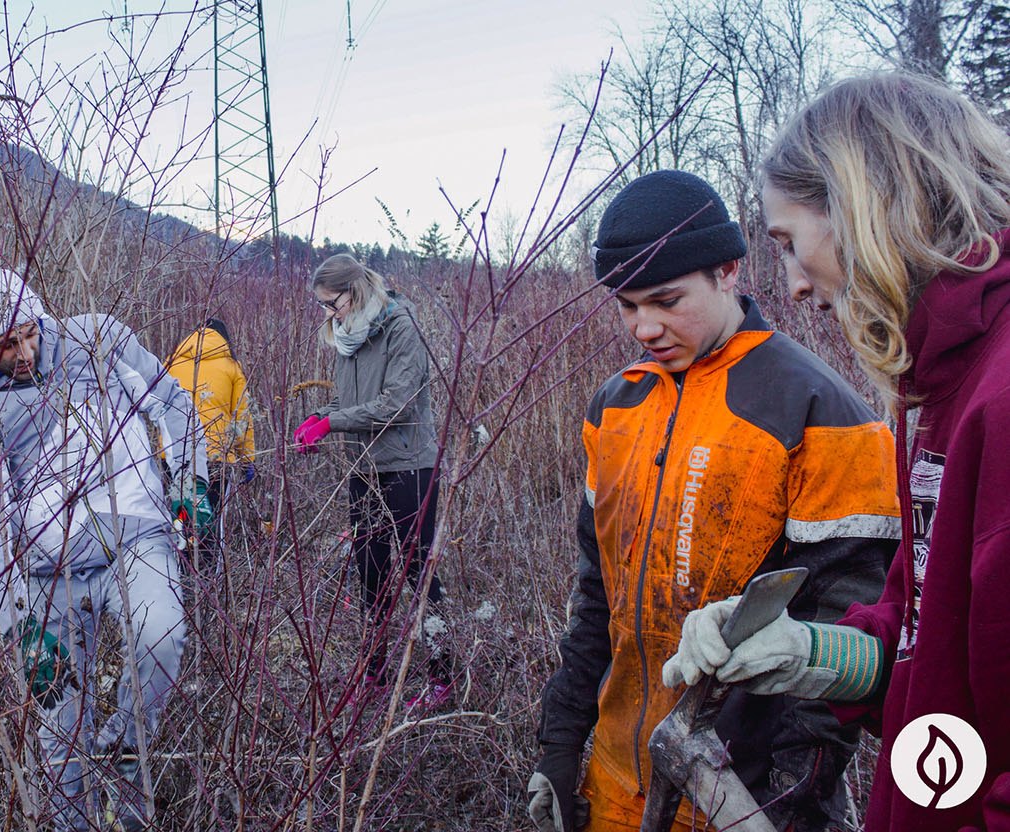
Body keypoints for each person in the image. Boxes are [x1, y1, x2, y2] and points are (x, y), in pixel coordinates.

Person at [663, 73, 1010, 831]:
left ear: (868, 207)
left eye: (789, 242)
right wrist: (810, 651)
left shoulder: (1003, 398)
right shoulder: (945, 388)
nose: (789, 285)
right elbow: (935, 643)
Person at [529, 170, 901, 832]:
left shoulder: (822, 413)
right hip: (616, 784)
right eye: (627, 304)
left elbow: (842, 636)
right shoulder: (615, 407)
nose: (644, 326)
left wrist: (789, 804)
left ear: (728, 270)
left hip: (738, 796)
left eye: (667, 300)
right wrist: (560, 750)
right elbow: (597, 599)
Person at [0, 268, 212, 831]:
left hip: (133, 533)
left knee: (161, 632)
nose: (24, 351)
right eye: (6, 345)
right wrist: (19, 627)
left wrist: (192, 481)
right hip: (46, 574)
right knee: (61, 730)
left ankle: (126, 750)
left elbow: (173, 405)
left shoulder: (99, 343)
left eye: (29, 333)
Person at [293, 252, 454, 711]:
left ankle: (441, 675)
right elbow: (351, 403)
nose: (327, 313)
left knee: (417, 573)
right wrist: (320, 418)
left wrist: (334, 421)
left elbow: (397, 405)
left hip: (408, 467)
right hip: (363, 470)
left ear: (354, 291)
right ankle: (375, 675)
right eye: (322, 305)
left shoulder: (401, 327)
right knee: (370, 576)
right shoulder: (346, 338)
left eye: (332, 303)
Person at [166, 318, 256, 564]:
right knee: (211, 523)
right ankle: (207, 581)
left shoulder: (173, 361)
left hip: (174, 456)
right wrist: (247, 459)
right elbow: (243, 417)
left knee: (180, 520)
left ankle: (180, 575)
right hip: (216, 456)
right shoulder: (231, 366)